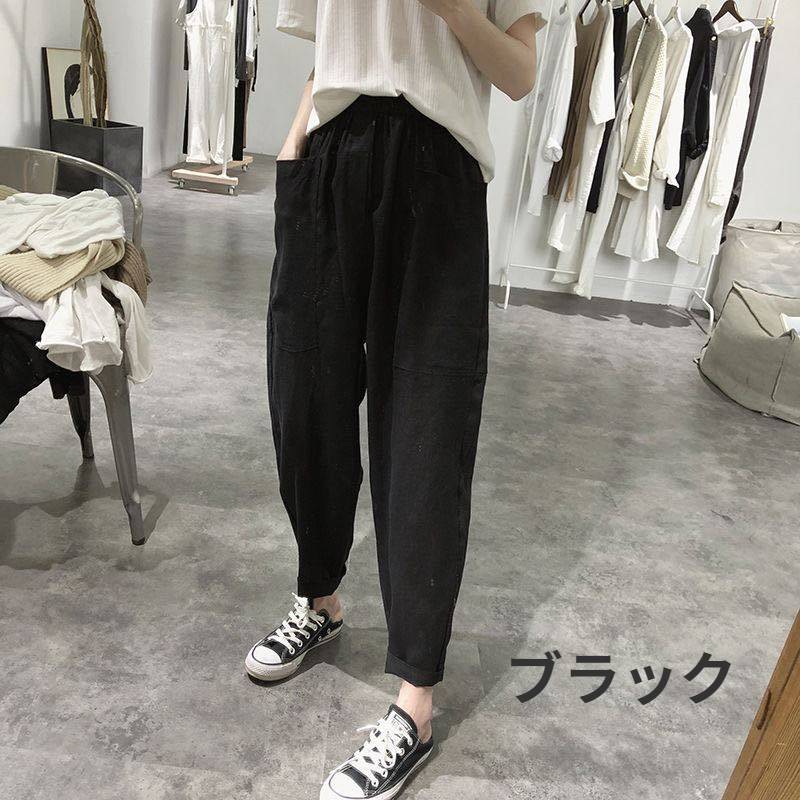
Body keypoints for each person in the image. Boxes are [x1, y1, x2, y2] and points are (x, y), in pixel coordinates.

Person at [245, 2, 544, 797]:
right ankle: (320, 598)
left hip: (437, 169)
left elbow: (520, 74)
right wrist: (296, 138)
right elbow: (335, 46)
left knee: (425, 430)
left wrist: (454, 11)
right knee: (303, 397)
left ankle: (415, 702)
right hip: (329, 155)